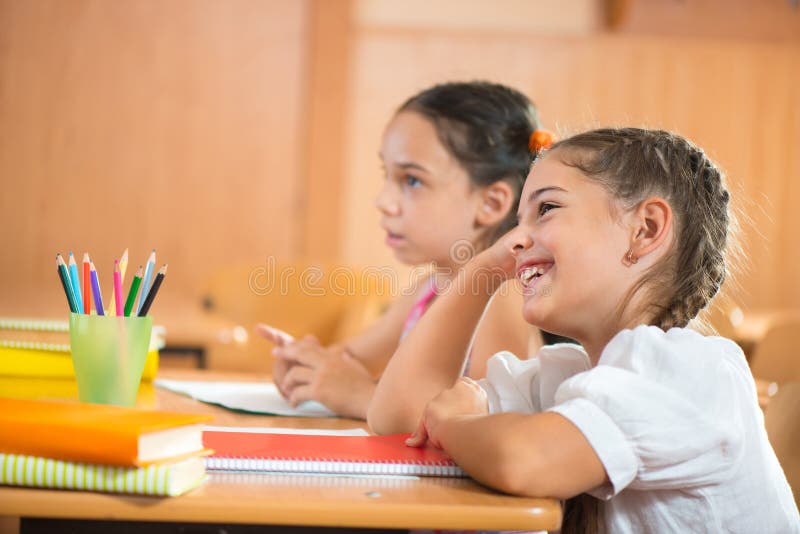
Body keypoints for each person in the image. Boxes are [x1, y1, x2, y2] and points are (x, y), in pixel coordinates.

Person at [389, 127, 799, 532]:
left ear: (646, 229)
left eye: (546, 208)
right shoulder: (566, 375)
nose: (514, 239)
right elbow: (403, 415)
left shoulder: (689, 370)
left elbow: (526, 461)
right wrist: (485, 268)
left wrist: (452, 425)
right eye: (518, 222)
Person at [257, 81, 547, 420]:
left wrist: (360, 396)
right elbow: (350, 360)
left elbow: (485, 424)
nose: (383, 202)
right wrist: (303, 367)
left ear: (490, 203)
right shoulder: (428, 290)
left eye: (411, 180)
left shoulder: (501, 295)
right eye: (388, 175)